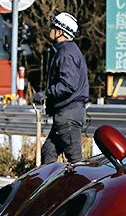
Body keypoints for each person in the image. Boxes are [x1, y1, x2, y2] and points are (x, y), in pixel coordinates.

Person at [32, 11, 89, 164]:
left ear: (60, 31)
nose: (49, 29)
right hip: (66, 114)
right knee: (49, 152)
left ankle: (83, 186)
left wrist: (45, 94)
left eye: (53, 26)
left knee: (76, 161)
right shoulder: (66, 51)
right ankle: (48, 185)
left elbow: (68, 85)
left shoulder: (66, 54)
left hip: (68, 115)